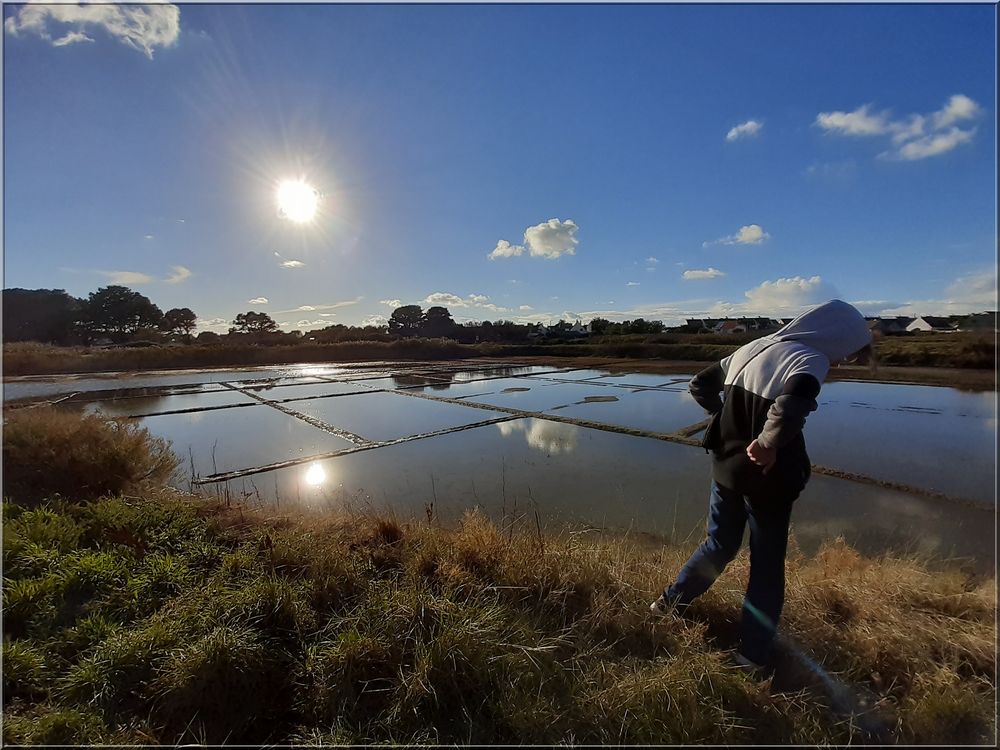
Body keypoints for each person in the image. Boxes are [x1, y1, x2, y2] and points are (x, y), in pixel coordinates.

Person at [650, 299, 873, 671]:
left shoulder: (753, 346)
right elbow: (793, 404)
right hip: (768, 480)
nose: (840, 362)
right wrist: (769, 444)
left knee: (719, 544)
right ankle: (751, 654)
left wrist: (723, 418)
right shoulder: (808, 357)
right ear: (837, 337)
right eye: (847, 354)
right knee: (767, 565)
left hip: (726, 468)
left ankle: (667, 604)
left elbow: (699, 384)